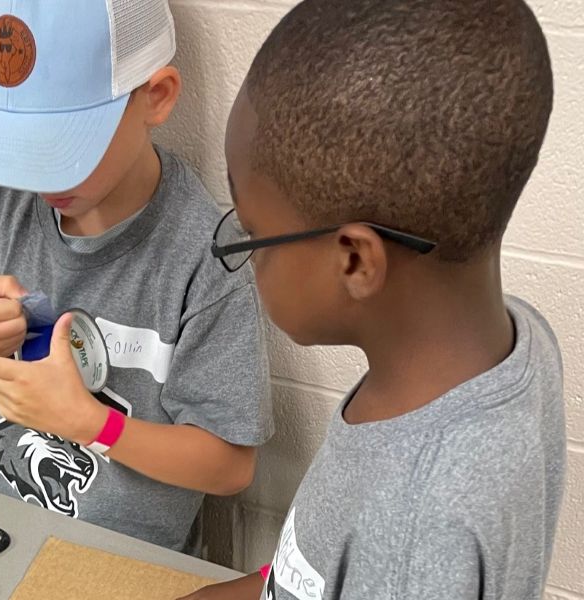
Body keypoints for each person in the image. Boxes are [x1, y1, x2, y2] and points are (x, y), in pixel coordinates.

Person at [0, 0, 272, 555]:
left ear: (155, 97)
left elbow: (231, 466)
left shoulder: (204, 255)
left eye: (66, 143)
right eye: (20, 145)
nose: (39, 175)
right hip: (4, 545)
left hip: (134, 566)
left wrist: (91, 423)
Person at [181, 0, 564, 596]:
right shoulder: (517, 338)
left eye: (255, 234)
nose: (249, 255)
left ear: (354, 260)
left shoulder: (416, 534)